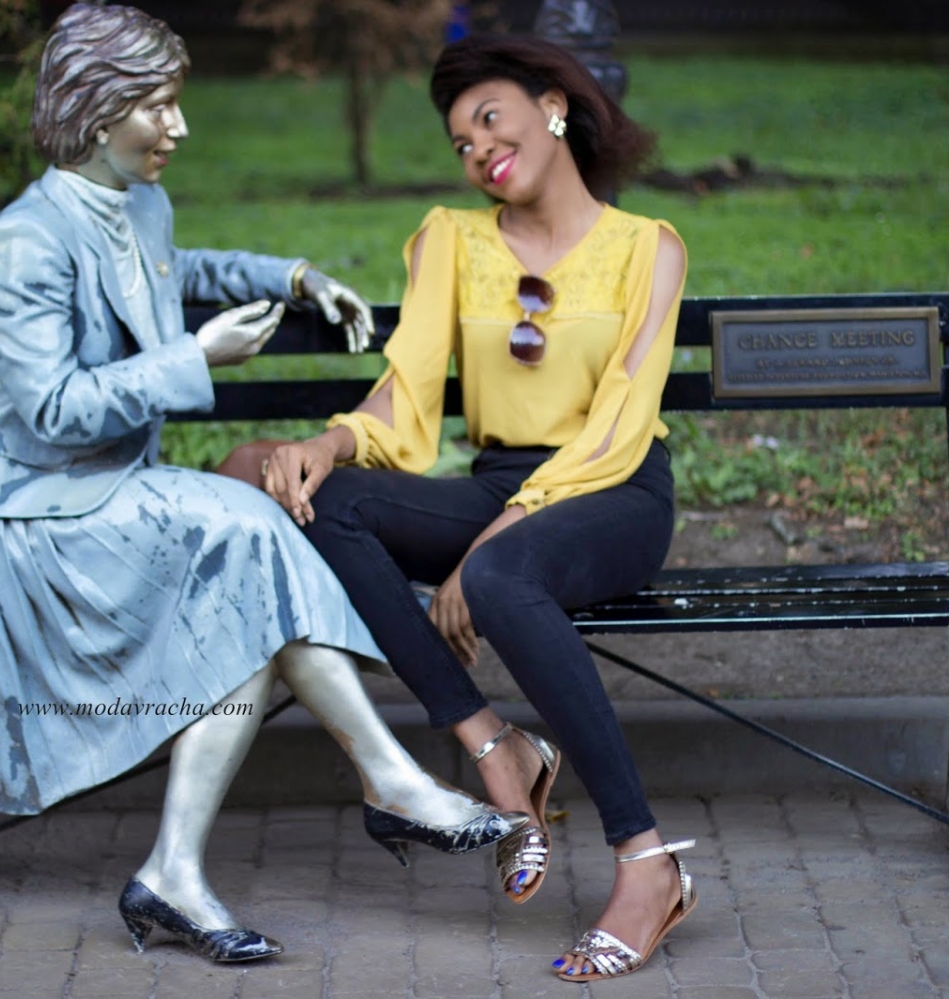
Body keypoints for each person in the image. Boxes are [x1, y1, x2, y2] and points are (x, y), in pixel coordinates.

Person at [0, 5, 526, 965]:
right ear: (95, 106)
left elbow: (174, 268)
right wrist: (195, 356)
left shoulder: (137, 201)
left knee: (241, 584)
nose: (179, 128)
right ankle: (392, 781)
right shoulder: (23, 243)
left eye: (176, 104)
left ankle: (178, 871)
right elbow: (54, 414)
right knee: (248, 533)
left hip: (96, 498)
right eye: (156, 107)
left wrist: (288, 277)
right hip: (18, 522)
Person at [246, 34, 696, 983]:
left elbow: (619, 422)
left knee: (496, 574)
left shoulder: (647, 248)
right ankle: (496, 750)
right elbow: (403, 393)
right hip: (501, 488)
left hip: (614, 492)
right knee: (331, 505)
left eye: (491, 118)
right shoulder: (452, 239)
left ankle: (646, 865)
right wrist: (328, 445)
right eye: (459, 141)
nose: (477, 149)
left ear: (554, 108)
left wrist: (491, 541)